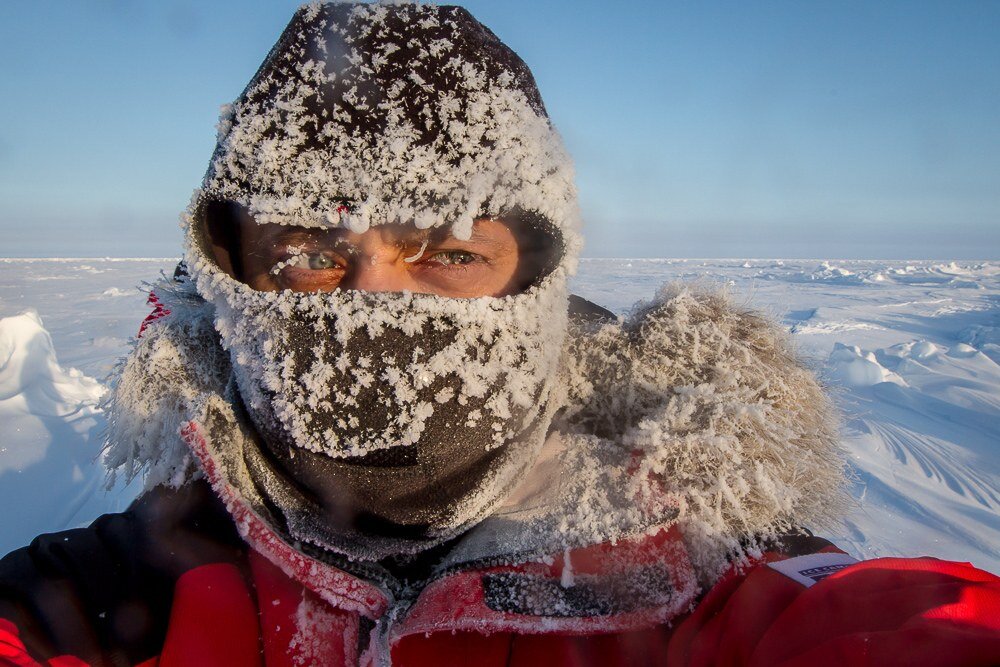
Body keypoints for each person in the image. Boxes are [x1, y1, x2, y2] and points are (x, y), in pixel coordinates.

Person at [1, 3, 998, 666]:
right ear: (232, 279)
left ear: (537, 277)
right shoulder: (127, 585)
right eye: (307, 258)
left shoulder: (693, 564)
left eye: (446, 255)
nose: (374, 312)